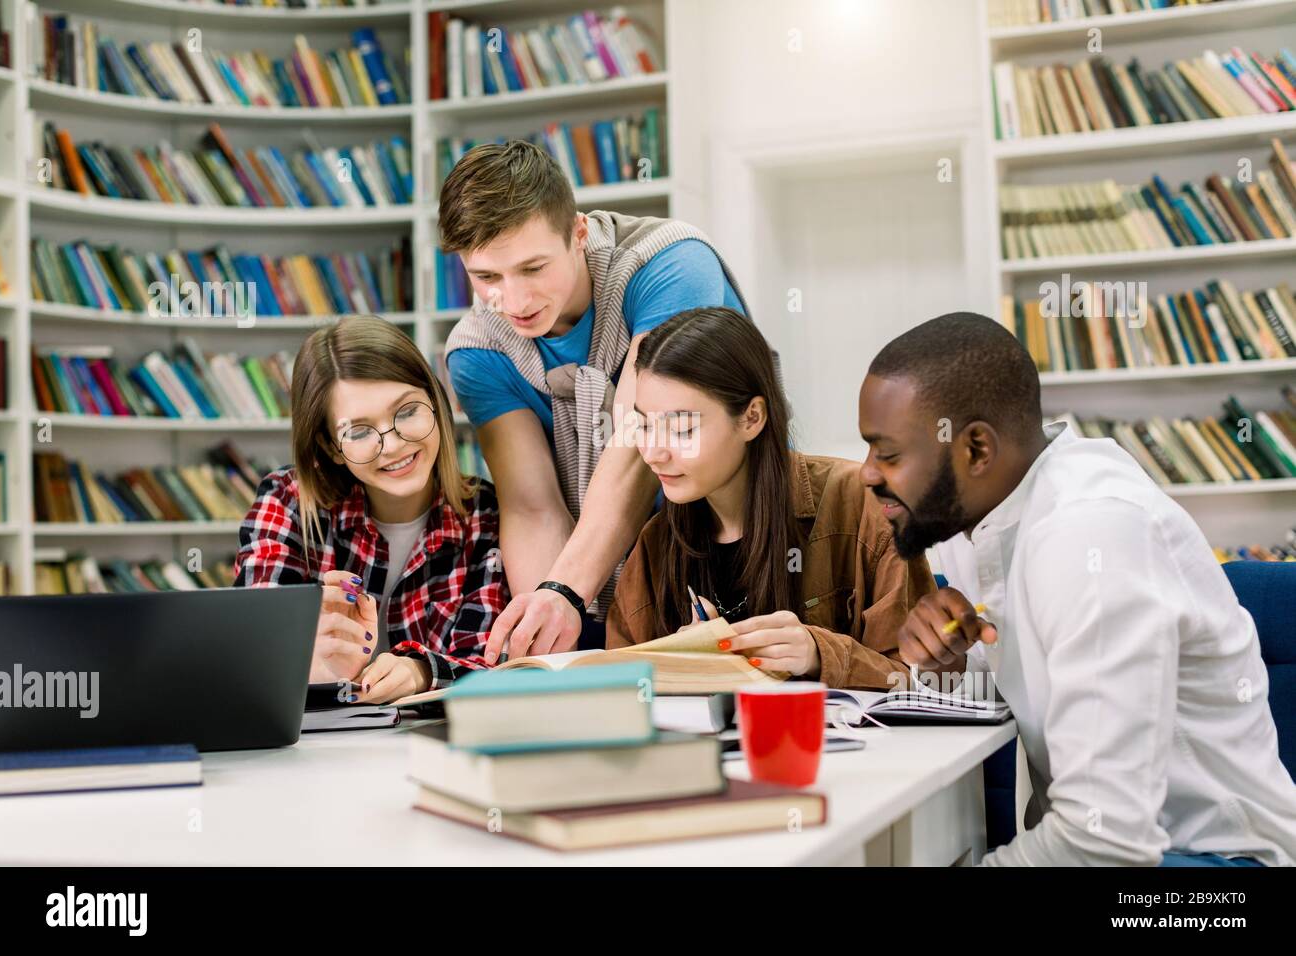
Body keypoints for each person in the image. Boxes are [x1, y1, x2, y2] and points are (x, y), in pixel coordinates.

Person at [857, 310, 1296, 866]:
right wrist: (949, 665)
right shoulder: (984, 519)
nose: (867, 472)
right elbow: (1049, 694)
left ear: (975, 451)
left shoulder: (1089, 535)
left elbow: (1105, 841)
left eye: (887, 453)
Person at [438, 140, 750, 661]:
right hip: (603, 578)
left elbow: (639, 442)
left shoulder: (670, 263)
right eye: (487, 277)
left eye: (533, 268)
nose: (512, 302)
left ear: (579, 233)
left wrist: (563, 591)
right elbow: (533, 507)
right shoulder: (477, 351)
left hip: (732, 542)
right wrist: (550, 640)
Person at [607, 307, 934, 687]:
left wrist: (818, 653)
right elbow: (620, 685)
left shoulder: (865, 505)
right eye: (644, 425)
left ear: (752, 418)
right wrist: (681, 669)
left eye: (681, 429)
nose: (653, 452)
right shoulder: (657, 544)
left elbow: (927, 679)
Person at [235, 315, 507, 704]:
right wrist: (313, 652)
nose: (393, 445)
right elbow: (251, 652)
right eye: (359, 432)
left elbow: (496, 662)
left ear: (434, 400)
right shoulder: (287, 500)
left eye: (408, 411)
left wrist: (422, 670)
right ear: (330, 447)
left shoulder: (484, 515)